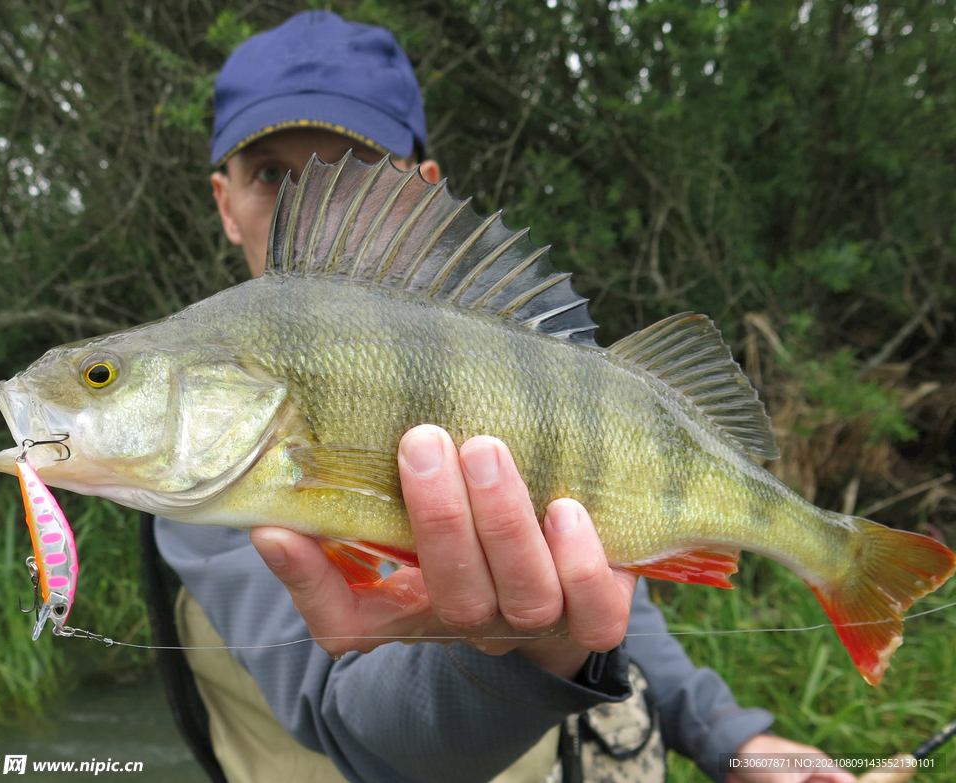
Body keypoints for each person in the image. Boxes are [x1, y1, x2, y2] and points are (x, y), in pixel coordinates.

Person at [144, 10, 857, 783]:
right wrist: (529, 651)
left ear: (424, 189)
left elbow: (613, 586)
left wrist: (735, 738)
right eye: (273, 175)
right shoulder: (200, 468)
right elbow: (352, 726)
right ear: (224, 200)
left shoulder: (527, 358)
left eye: (357, 168)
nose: (314, 201)